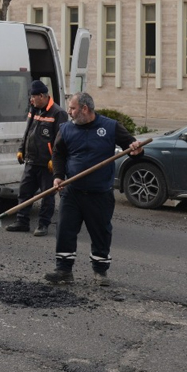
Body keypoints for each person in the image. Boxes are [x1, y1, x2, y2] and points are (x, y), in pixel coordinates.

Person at [45, 91, 142, 287]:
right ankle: (63, 270)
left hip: (100, 193)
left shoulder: (110, 127)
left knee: (101, 232)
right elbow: (58, 155)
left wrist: (137, 151)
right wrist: (57, 177)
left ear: (85, 109)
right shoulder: (65, 130)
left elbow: (132, 148)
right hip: (72, 191)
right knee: (65, 229)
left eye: (72, 108)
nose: (69, 112)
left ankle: (100, 272)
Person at [8, 80, 67, 236]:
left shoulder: (58, 113)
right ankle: (22, 221)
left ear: (42, 96)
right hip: (31, 160)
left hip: (47, 164)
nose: (31, 100)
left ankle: (43, 224)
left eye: (33, 97)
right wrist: (21, 149)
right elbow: (28, 132)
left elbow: (60, 141)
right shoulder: (34, 110)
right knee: (24, 191)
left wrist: (54, 160)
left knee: (47, 196)